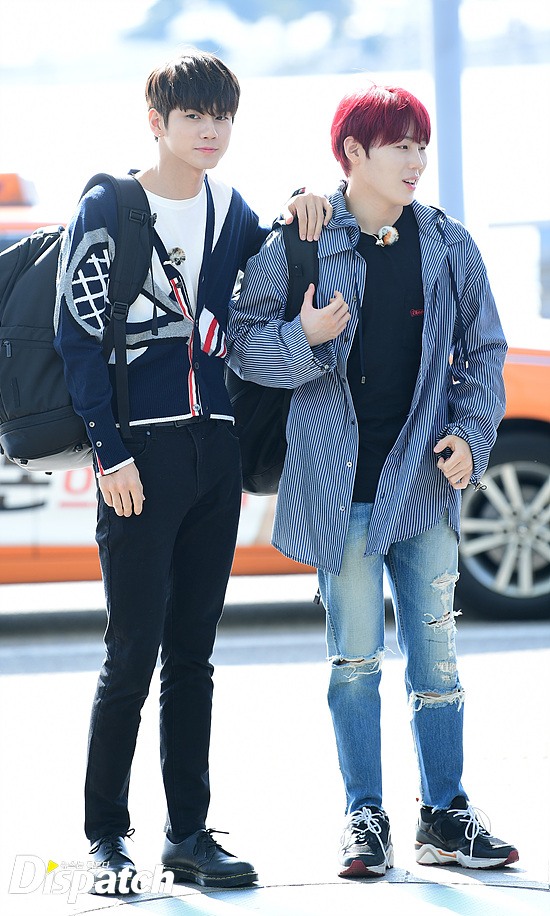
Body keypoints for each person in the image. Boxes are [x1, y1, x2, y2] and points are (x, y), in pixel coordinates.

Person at [54, 49, 331, 891]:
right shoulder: (110, 204)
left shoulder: (226, 207)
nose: (210, 131)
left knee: (193, 656)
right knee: (131, 653)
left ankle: (188, 834)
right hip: (138, 454)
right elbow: (77, 338)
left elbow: (273, 254)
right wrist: (110, 452)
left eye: (222, 117)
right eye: (193, 117)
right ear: (157, 122)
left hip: (215, 451)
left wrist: (301, 201)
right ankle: (106, 839)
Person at [227, 84, 519, 878]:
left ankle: (445, 814)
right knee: (354, 665)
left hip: (423, 488)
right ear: (353, 153)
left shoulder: (448, 245)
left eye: (421, 145)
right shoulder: (303, 241)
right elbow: (241, 342)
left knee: (438, 664)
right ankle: (364, 816)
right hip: (338, 489)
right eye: (401, 146)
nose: (417, 161)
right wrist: (302, 334)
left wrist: (472, 434)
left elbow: (484, 352)